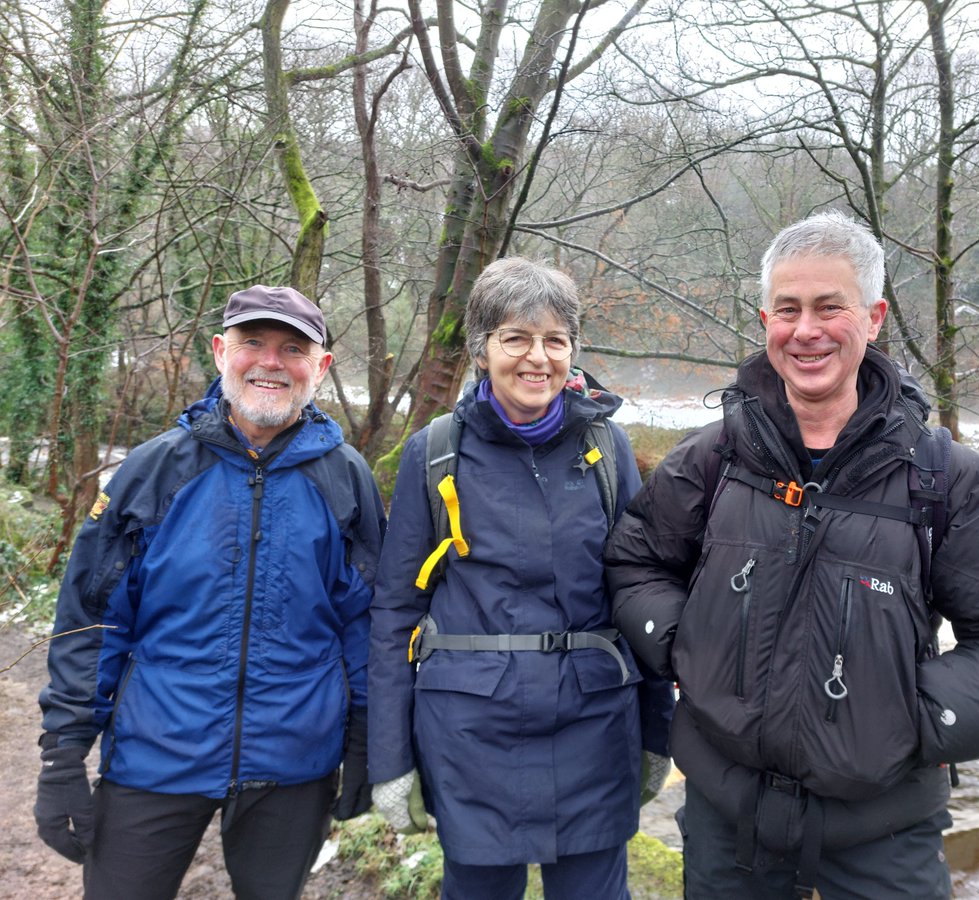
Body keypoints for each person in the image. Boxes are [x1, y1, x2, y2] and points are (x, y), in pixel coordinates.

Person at [603, 211, 979, 899]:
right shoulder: (713, 458)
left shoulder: (945, 478)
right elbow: (636, 563)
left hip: (882, 833)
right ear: (765, 318)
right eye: (788, 309)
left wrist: (908, 718)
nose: (807, 331)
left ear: (873, 316)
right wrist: (688, 647)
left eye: (830, 308)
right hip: (727, 822)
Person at [35, 285, 386, 900]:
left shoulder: (345, 478)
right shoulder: (153, 470)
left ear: (321, 367)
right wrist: (63, 755)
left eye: (293, 348)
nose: (271, 363)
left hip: (295, 762)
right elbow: (92, 621)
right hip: (155, 754)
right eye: (253, 343)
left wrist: (363, 742)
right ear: (221, 351)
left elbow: (367, 624)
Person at [368, 256, 674, 900]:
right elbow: (396, 611)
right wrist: (390, 760)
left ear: (573, 352)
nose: (538, 358)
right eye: (516, 338)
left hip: (593, 724)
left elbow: (640, 591)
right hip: (470, 732)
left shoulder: (608, 449)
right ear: (482, 350)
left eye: (555, 340)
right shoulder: (435, 451)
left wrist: (656, 730)